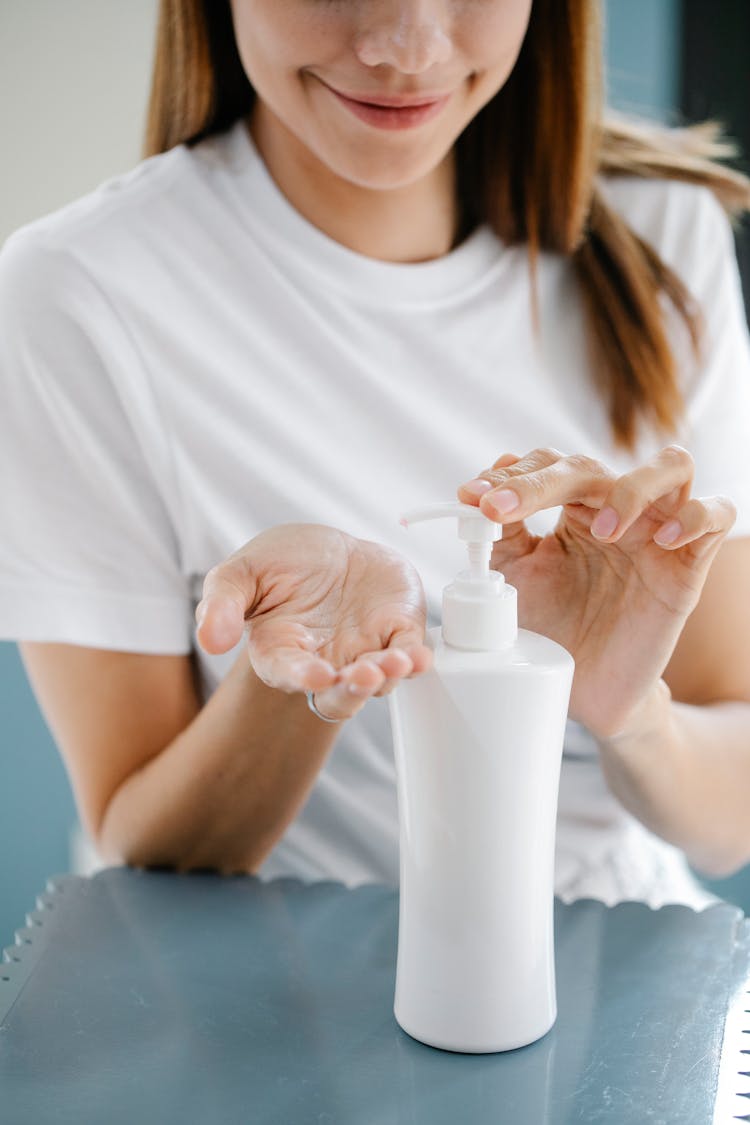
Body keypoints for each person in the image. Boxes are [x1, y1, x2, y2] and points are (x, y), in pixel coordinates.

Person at [1, 0, 750, 909]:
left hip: (626, 954)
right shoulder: (83, 293)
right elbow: (144, 841)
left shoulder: (659, 239)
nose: (407, 45)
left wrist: (629, 711)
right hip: (283, 975)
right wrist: (301, 682)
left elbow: (729, 818)